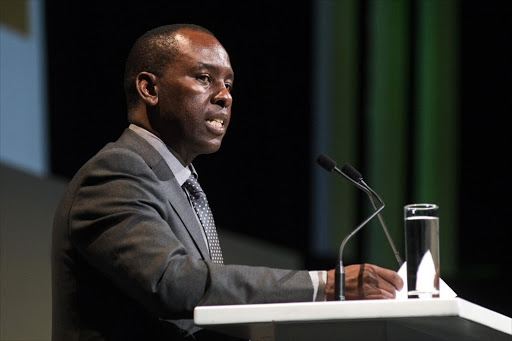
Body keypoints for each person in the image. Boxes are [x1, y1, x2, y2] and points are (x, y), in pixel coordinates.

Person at [51, 24, 403, 340]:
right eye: (205, 78)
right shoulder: (116, 172)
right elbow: (173, 283)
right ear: (149, 88)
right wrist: (325, 285)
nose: (225, 96)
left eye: (229, 84)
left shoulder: (181, 183)